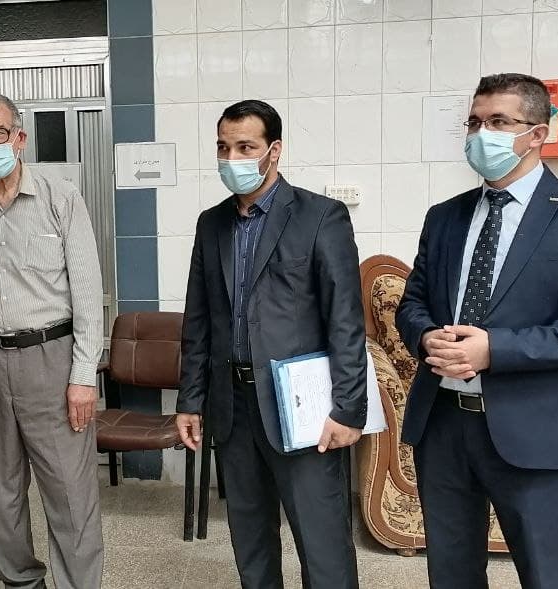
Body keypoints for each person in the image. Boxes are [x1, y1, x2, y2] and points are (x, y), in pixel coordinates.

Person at [395, 73, 558, 589]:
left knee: (548, 575)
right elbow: (413, 302)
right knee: (451, 573)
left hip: (536, 427)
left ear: (537, 134)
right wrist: (425, 336)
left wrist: (495, 349)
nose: (482, 134)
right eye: (474, 122)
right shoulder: (444, 216)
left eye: (499, 122)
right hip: (443, 423)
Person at [175, 99, 369, 588]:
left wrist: (349, 409)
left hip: (301, 407)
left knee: (322, 544)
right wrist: (190, 400)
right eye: (223, 148)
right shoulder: (211, 224)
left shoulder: (320, 216)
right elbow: (199, 320)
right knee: (251, 541)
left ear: (274, 150)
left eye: (245, 147)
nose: (232, 158)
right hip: (233, 406)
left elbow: (346, 319)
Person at [0, 92, 104, 589]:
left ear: (19, 137)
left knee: (70, 490)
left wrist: (83, 377)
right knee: (0, 487)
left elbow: (88, 295)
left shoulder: (60, 198)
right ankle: (21, 581)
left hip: (51, 358)